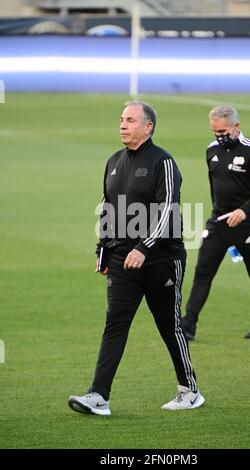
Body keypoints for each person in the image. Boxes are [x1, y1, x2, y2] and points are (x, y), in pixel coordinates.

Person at [68, 101, 205, 416]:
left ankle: (190, 390)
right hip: (121, 261)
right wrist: (103, 249)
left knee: (169, 325)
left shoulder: (164, 162)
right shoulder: (113, 161)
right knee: (115, 323)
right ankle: (99, 395)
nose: (122, 125)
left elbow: (168, 209)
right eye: (121, 120)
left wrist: (143, 247)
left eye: (130, 120)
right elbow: (107, 208)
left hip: (161, 260)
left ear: (148, 127)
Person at [182, 105, 250, 341]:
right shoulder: (211, 151)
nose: (219, 136)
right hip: (218, 224)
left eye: (223, 131)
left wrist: (244, 211)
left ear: (236, 126)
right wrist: (217, 215)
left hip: (248, 225)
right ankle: (188, 323)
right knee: (202, 272)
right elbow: (216, 187)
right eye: (215, 132)